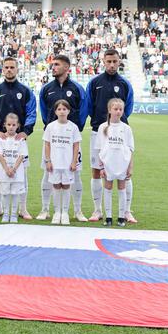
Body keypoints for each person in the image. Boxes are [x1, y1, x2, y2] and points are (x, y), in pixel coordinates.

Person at [37, 54, 89, 221]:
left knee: (75, 174)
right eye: (53, 64)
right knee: (48, 172)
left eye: (57, 65)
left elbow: (83, 111)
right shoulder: (46, 89)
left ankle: (78, 211)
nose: (53, 67)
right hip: (52, 139)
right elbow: (45, 112)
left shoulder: (77, 88)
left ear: (66, 68)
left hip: (70, 140)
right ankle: (45, 209)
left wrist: (74, 130)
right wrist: (51, 128)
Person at [86, 48, 135, 223]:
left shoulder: (125, 84)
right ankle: (97, 210)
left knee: (125, 173)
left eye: (115, 61)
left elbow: (128, 107)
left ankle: (127, 211)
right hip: (99, 132)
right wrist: (100, 122)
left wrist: (117, 123)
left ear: (119, 61)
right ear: (103, 62)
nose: (112, 65)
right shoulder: (94, 82)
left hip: (119, 134)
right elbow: (89, 105)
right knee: (97, 171)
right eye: (109, 61)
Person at [0, 56, 36, 219]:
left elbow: (31, 113)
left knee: (22, 174)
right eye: (6, 67)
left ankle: (23, 208)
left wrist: (26, 131)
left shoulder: (26, 91)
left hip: (19, 141)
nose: (9, 70)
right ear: (2, 69)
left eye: (12, 67)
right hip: (0, 140)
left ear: (17, 69)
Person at [42, 99, 81, 225]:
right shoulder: (51, 126)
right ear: (55, 111)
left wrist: (74, 162)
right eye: (59, 109)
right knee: (56, 185)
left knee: (66, 186)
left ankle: (65, 213)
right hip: (54, 163)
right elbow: (47, 145)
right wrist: (48, 161)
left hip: (67, 164)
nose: (62, 111)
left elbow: (76, 146)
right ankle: (57, 212)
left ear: (68, 111)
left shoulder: (73, 127)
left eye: (64, 109)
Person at [97, 98, 135, 227]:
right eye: (115, 109)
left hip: (122, 163)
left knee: (121, 188)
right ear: (109, 110)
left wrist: (130, 166)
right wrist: (101, 167)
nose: (118, 112)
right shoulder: (103, 127)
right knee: (107, 188)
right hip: (108, 163)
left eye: (120, 109)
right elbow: (99, 148)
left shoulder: (126, 128)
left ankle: (121, 216)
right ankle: (108, 217)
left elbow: (130, 149)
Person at [0, 113, 27, 224]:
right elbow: (0, 155)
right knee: (5, 193)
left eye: (14, 125)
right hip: (5, 172)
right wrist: (7, 169)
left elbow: (21, 156)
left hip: (17, 173)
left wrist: (14, 169)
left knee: (15, 193)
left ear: (18, 125)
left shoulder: (21, 139)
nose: (11, 127)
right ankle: (6, 214)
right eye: (9, 124)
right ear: (5, 125)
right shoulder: (1, 139)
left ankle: (13, 214)